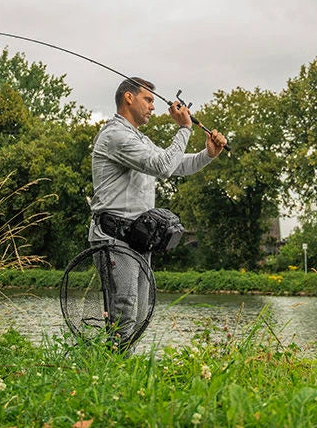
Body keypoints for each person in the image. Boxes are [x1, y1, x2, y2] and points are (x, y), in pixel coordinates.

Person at [89, 77, 227, 348]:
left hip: (138, 238)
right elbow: (163, 165)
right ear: (129, 98)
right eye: (148, 100)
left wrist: (208, 154)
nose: (153, 107)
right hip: (114, 236)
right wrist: (185, 127)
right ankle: (111, 373)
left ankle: (122, 373)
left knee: (138, 316)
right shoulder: (115, 136)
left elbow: (175, 165)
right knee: (124, 314)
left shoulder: (138, 138)